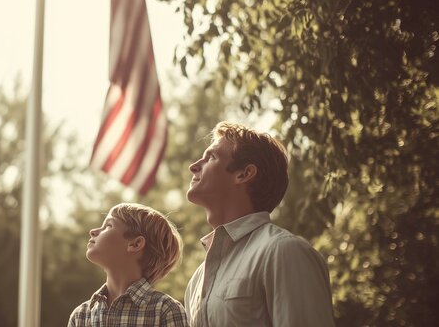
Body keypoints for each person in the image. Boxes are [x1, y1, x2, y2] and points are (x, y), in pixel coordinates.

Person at [184, 121, 335, 327]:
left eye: (211, 157)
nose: (193, 166)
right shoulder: (196, 281)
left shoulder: (284, 251)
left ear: (244, 174)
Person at [68, 203, 188, 326]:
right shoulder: (80, 315)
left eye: (108, 225)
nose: (93, 231)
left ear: (135, 244)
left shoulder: (166, 310)